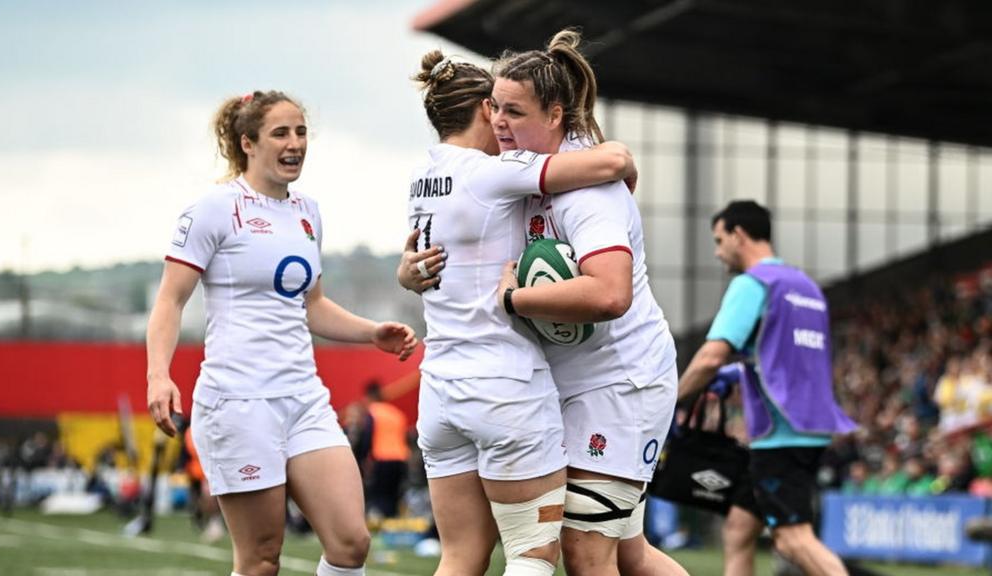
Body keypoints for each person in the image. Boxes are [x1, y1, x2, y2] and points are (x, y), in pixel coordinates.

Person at [145, 90, 418, 576]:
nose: (295, 143)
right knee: (261, 560)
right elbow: (170, 300)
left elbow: (311, 305)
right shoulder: (214, 208)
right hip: (238, 402)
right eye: (280, 133)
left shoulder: (307, 212)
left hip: (304, 399)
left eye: (301, 131)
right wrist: (158, 375)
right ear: (248, 142)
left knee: (350, 543)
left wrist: (370, 332)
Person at [402, 50, 643, 576]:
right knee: (532, 556)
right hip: (501, 385)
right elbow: (605, 162)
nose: (505, 124)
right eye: (499, 110)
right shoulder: (495, 171)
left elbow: (417, 262)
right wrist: (624, 160)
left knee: (460, 557)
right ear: (483, 111)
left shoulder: (422, 177)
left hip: (439, 390)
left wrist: (405, 273)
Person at [489, 29, 687, 576]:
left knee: (585, 551)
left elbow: (609, 293)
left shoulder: (588, 193)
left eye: (515, 111)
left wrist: (514, 299)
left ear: (554, 114)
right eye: (495, 107)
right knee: (630, 552)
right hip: (575, 384)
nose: (499, 122)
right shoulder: (528, 167)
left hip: (622, 384)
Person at [676, 199, 857, 576]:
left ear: (739, 235)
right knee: (740, 528)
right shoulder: (805, 286)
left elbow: (711, 357)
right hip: (809, 423)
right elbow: (787, 359)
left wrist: (671, 402)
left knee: (793, 539)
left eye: (719, 239)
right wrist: (735, 375)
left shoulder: (752, 284)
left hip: (779, 433)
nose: (717, 251)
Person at [361, 381, 410, 519]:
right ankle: (392, 522)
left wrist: (364, 458)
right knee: (394, 494)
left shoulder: (373, 412)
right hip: (400, 458)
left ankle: (382, 522)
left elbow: (368, 436)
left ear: (369, 396)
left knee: (380, 495)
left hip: (382, 458)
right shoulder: (396, 413)